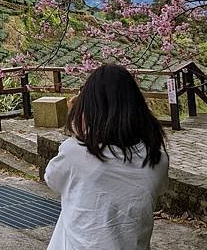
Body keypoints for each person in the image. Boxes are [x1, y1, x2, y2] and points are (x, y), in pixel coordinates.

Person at [44, 64, 169, 250]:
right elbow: (157, 189)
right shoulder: (157, 159)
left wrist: (80, 133)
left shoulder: (75, 152)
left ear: (90, 108)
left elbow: (52, 179)